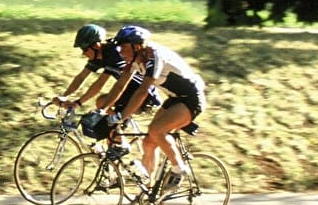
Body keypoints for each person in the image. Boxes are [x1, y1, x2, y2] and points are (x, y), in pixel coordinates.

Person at [110, 25, 207, 189]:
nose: (120, 51)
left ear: (137, 46)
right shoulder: (135, 59)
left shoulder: (154, 56)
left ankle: (179, 169)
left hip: (192, 98)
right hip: (175, 98)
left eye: (124, 47)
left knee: (156, 130)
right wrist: (101, 110)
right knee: (148, 142)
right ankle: (147, 190)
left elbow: (142, 91)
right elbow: (120, 86)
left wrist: (121, 117)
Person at [54, 24, 157, 140]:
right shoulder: (98, 54)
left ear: (96, 45)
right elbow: (81, 77)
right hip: (127, 91)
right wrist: (64, 96)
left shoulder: (114, 54)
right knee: (103, 113)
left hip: (141, 93)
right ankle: (116, 138)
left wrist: (78, 103)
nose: (83, 53)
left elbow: (99, 84)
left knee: (102, 105)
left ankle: (120, 141)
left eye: (85, 49)